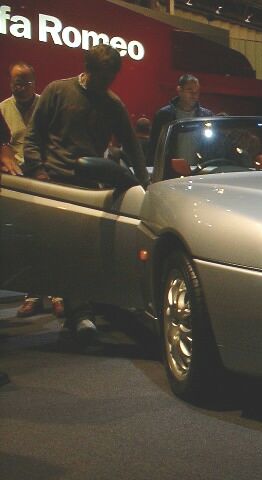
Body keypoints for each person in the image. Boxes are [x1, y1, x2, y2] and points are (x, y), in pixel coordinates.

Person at [23, 43, 149, 341]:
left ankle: (80, 315)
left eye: (110, 78)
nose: (106, 84)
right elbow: (33, 136)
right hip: (53, 183)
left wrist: (144, 186)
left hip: (90, 187)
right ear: (88, 69)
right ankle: (79, 314)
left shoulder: (112, 104)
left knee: (81, 252)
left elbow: (133, 148)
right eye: (102, 77)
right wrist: (38, 171)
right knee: (63, 252)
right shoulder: (57, 91)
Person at [1, 62, 64, 318]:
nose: (21, 87)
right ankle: (33, 294)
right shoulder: (3, 109)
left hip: (45, 177)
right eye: (16, 82)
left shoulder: (45, 105)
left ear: (34, 83)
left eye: (25, 82)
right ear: (10, 82)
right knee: (28, 240)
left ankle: (59, 292)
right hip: (17, 182)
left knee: (53, 237)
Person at [148, 74, 213, 164]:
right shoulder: (164, 115)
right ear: (179, 90)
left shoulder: (206, 116)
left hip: (199, 170)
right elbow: (154, 146)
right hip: (171, 171)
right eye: (190, 90)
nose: (194, 95)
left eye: (197, 91)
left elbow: (211, 147)